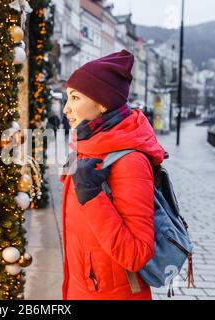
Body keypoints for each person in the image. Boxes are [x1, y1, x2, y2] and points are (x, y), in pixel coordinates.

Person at [60, 50, 166, 300]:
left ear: (103, 102)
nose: (66, 108)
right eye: (67, 98)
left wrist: (92, 197)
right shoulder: (85, 148)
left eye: (74, 98)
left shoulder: (130, 161)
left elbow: (138, 254)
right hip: (82, 286)